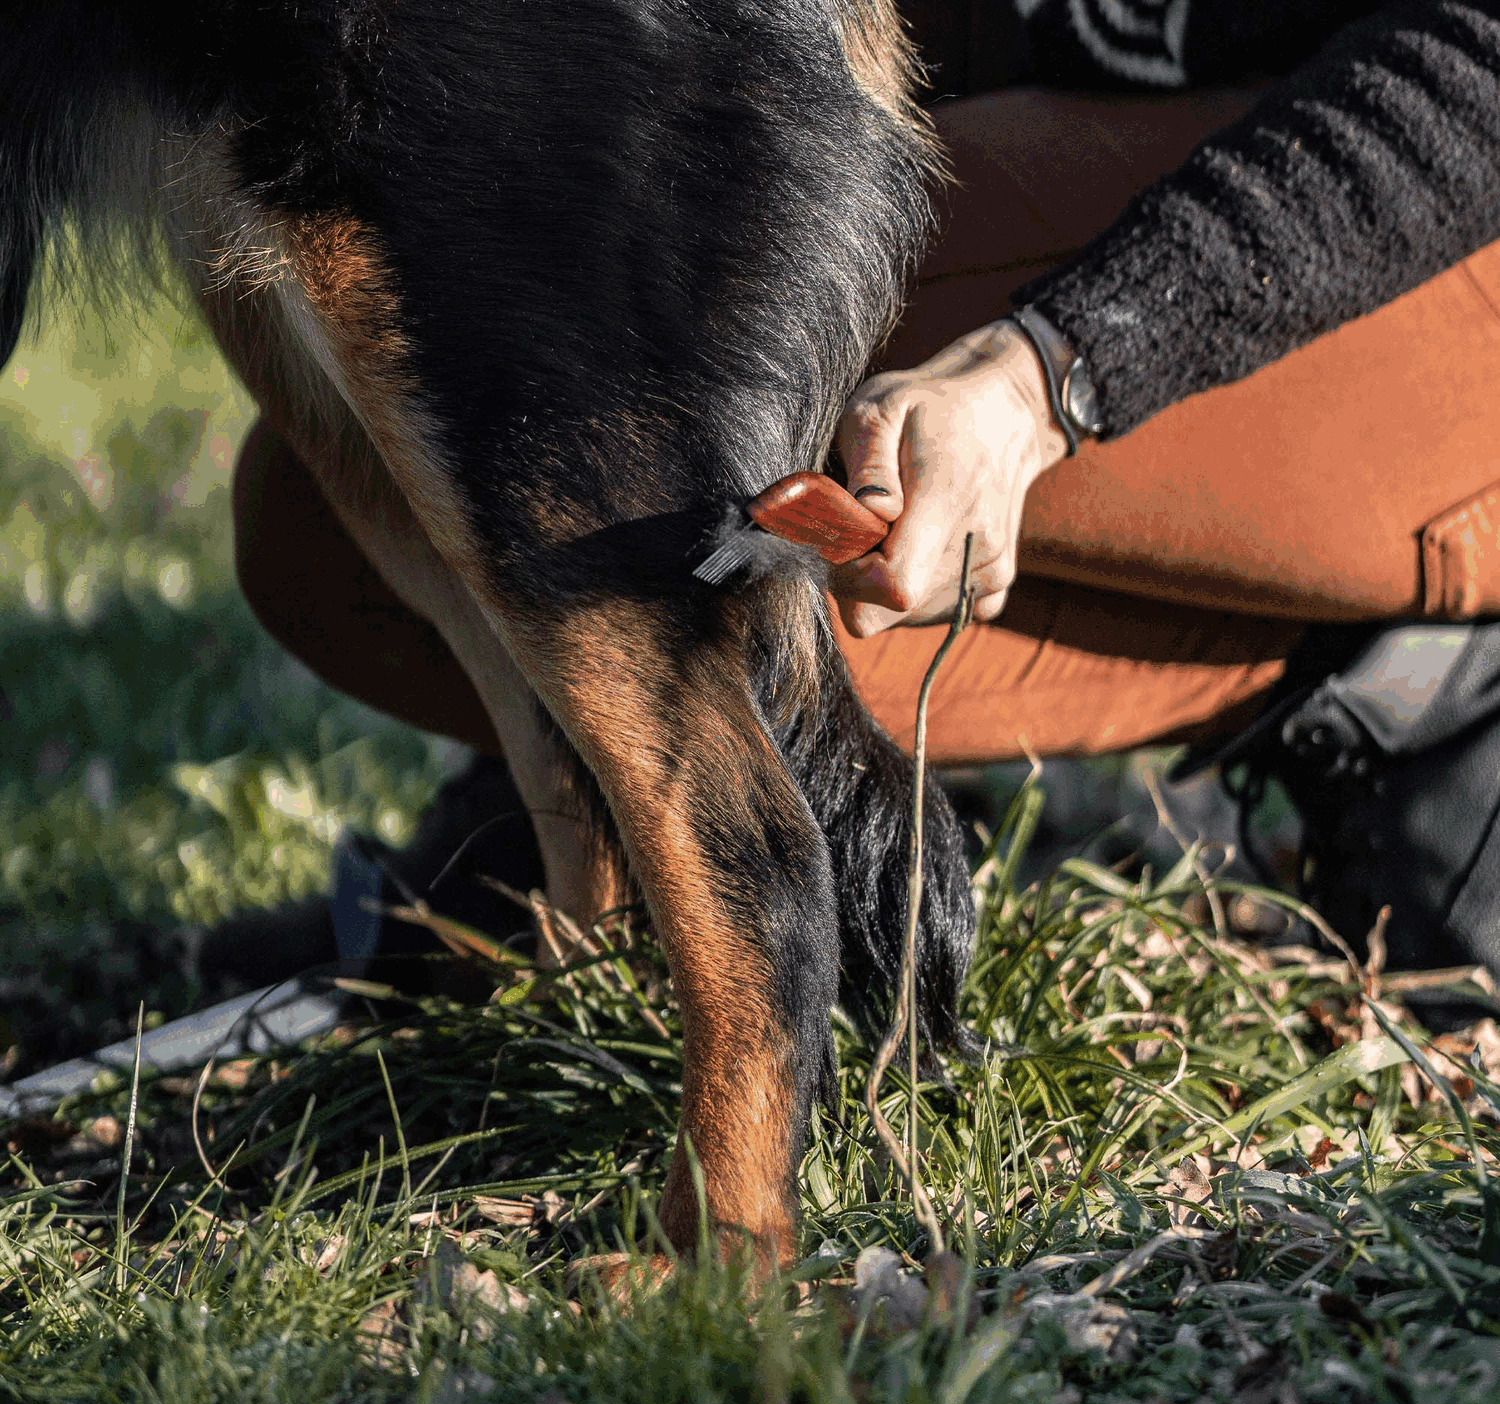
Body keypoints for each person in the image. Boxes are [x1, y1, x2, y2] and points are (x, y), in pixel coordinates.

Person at [228, 0, 1500, 983]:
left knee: (557, 491)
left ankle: (1419, 666)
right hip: (1056, 108)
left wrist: (1047, 371)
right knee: (359, 512)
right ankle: (1344, 643)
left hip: (1428, 193)